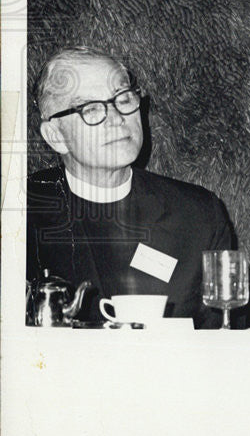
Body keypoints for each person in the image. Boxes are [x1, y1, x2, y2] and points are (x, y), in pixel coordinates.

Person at [27, 47, 236, 327]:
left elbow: (222, 341)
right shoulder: (18, 214)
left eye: (123, 98)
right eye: (90, 108)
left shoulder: (199, 215)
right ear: (56, 136)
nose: (117, 118)